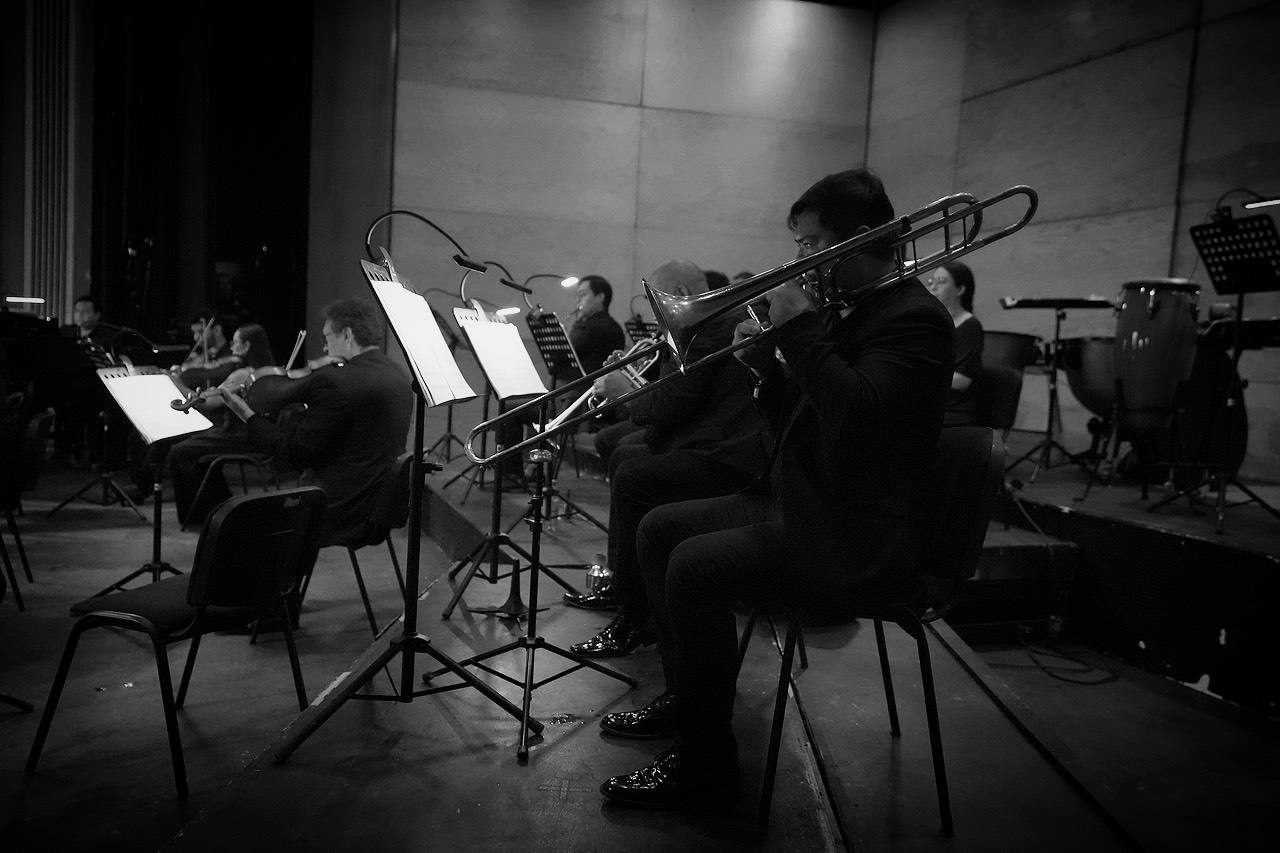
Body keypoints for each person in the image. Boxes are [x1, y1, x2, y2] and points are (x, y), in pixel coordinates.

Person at [597, 169, 954, 810]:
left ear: (864, 238)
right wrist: (764, 369)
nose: (799, 260)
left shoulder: (915, 319)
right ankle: (689, 704)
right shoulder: (848, 313)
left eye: (813, 244)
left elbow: (858, 417)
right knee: (659, 528)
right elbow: (800, 420)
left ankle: (707, 768)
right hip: (806, 500)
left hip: (859, 531)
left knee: (694, 564)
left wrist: (798, 333)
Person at [563, 260, 771, 656]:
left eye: (657, 301)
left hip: (730, 455)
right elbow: (672, 398)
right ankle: (628, 592)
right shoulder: (701, 329)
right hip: (706, 439)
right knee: (626, 457)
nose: (656, 311)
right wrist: (628, 385)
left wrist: (625, 391)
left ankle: (635, 615)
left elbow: (677, 401)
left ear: (681, 293)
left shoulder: (718, 328)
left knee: (633, 474)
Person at [223, 298, 413, 547]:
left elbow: (294, 454)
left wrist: (247, 415)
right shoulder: (396, 374)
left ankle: (277, 585)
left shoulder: (336, 382)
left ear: (346, 335)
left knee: (233, 525)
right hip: (378, 510)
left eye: (327, 337)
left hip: (338, 511)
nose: (324, 348)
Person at [164, 323, 276, 526]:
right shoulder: (272, 371)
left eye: (235, 343)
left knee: (179, 452)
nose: (232, 348)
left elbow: (209, 403)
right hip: (262, 435)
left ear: (247, 346)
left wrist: (173, 382)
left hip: (239, 436)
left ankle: (198, 515)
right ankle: (220, 507)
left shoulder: (242, 375)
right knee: (199, 454)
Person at [926, 261, 985, 426]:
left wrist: (918, 374)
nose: (933, 287)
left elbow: (962, 380)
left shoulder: (970, 326)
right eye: (931, 281)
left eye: (942, 281)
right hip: (931, 402)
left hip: (953, 409)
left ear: (960, 289)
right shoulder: (932, 323)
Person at [566, 275, 626, 377]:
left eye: (582, 295)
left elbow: (566, 352)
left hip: (583, 387)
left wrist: (578, 321)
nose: (577, 301)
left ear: (600, 297)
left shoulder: (590, 328)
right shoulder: (613, 326)